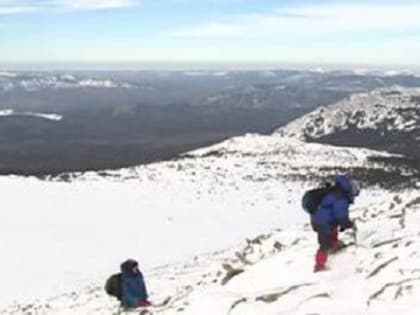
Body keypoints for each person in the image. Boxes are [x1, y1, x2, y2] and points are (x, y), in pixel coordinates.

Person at [311, 174, 359, 272]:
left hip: (322, 219)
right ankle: (319, 266)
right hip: (322, 221)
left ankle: (334, 246)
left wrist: (343, 223)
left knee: (333, 230)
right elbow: (341, 215)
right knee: (324, 244)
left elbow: (336, 213)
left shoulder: (337, 191)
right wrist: (348, 224)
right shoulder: (341, 197)